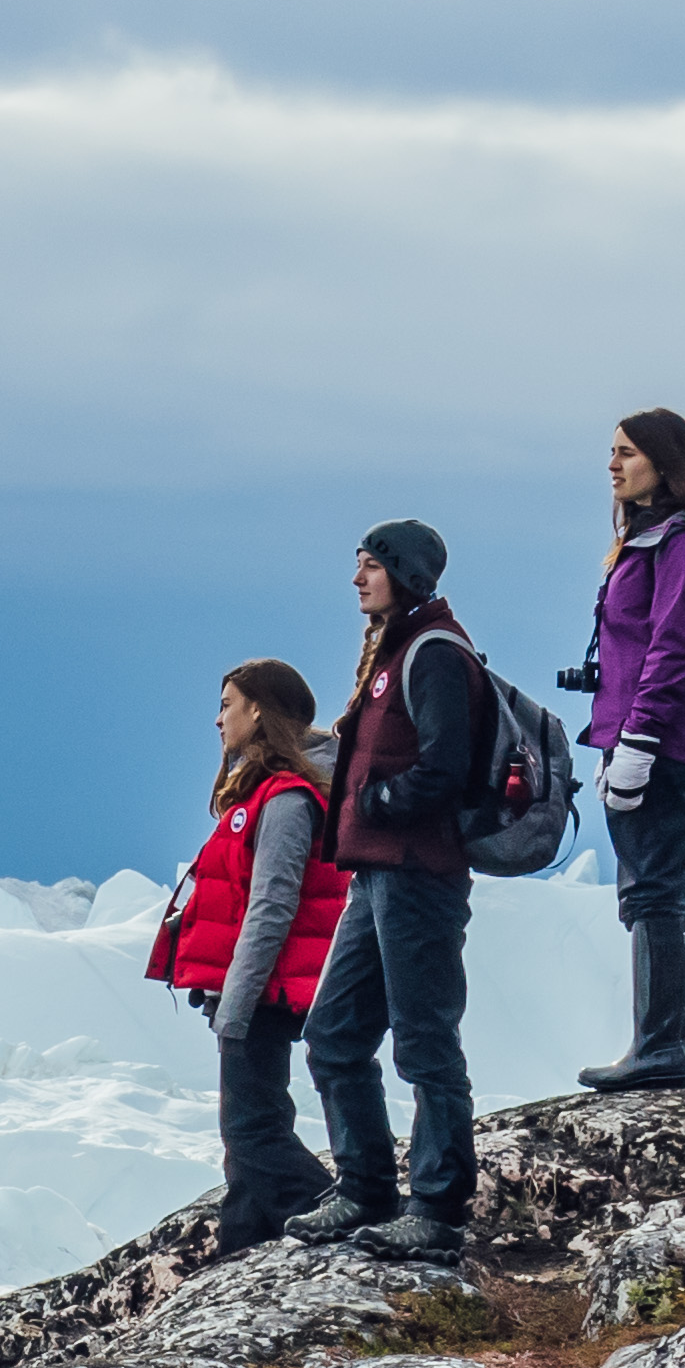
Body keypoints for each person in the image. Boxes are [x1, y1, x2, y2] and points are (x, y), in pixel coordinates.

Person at [296, 521, 488, 1266]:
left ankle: (436, 1208)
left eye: (370, 565)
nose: (356, 579)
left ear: (404, 573)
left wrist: (375, 804)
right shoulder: (395, 651)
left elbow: (446, 767)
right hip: (377, 873)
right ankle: (366, 1187)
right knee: (335, 1034)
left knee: (424, 1041)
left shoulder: (433, 653)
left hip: (416, 873)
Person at [570, 411, 685, 1092]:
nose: (613, 466)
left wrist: (638, 740)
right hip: (636, 736)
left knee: (658, 892)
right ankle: (659, 1044)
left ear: (662, 462)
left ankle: (663, 1047)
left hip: (658, 739)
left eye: (626, 454)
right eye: (611, 453)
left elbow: (674, 645)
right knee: (651, 890)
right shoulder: (652, 538)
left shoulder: (684, 543)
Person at [147, 660, 350, 1250]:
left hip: (265, 989)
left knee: (253, 1131)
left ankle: (344, 1222)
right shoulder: (265, 791)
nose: (218, 719)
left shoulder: (286, 798)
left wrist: (235, 1001)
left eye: (227, 703)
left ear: (258, 709)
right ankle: (243, 1246)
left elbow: (272, 908)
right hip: (255, 987)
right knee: (245, 1142)